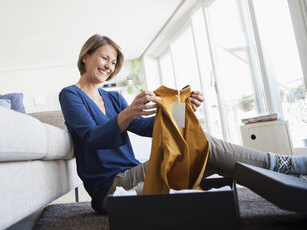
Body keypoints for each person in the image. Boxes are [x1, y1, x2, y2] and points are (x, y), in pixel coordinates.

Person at [59, 34, 306, 213]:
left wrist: (182, 110)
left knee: (201, 148)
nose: (109, 66)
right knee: (202, 144)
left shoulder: (112, 97)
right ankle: (284, 164)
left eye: (113, 63)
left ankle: (285, 185)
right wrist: (130, 113)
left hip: (136, 175)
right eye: (105, 58)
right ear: (86, 56)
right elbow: (91, 138)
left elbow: (150, 129)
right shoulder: (70, 95)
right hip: (113, 187)